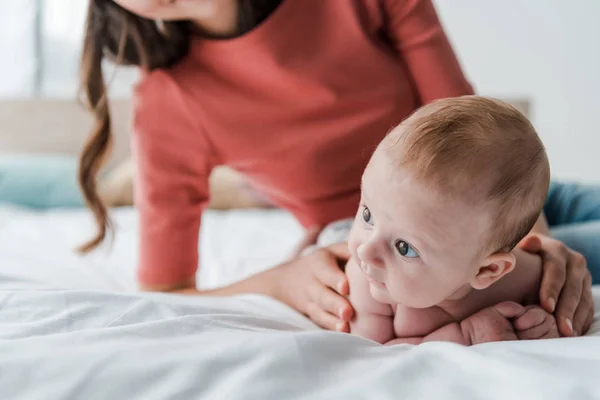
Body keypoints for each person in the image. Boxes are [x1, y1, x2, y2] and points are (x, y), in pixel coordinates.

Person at [79, 0, 594, 337]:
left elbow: (466, 121)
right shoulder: (168, 100)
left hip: (504, 200)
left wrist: (534, 243)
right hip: (375, 232)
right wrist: (282, 281)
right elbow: (166, 294)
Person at [312, 96, 559, 345]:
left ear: (487, 270)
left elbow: (566, 314)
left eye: (404, 247)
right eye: (367, 214)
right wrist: (465, 334)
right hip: (337, 233)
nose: (366, 251)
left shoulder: (528, 278)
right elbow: (375, 354)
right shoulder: (366, 284)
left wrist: (541, 325)